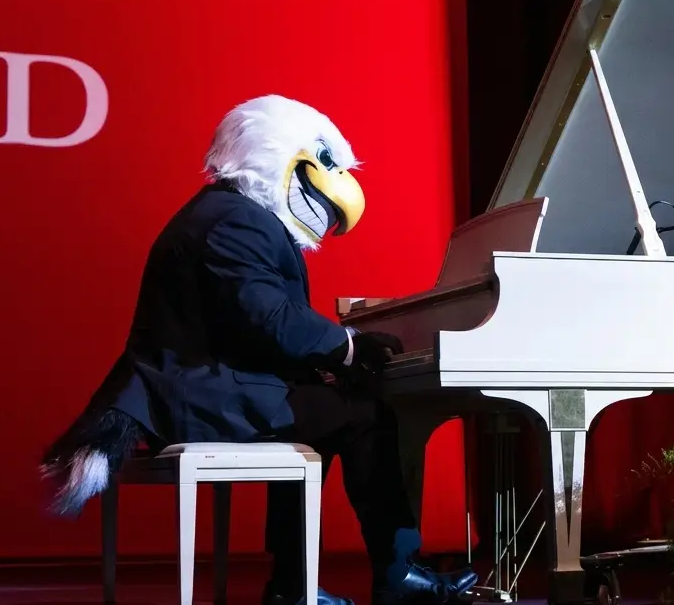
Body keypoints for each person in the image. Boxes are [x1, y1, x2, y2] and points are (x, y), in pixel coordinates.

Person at [40, 95, 478, 605]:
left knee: (322, 413)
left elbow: (244, 326)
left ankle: (294, 584)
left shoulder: (225, 213)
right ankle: (395, 572)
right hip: (196, 397)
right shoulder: (236, 220)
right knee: (363, 413)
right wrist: (348, 348)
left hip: (203, 387)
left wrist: (325, 366)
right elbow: (268, 315)